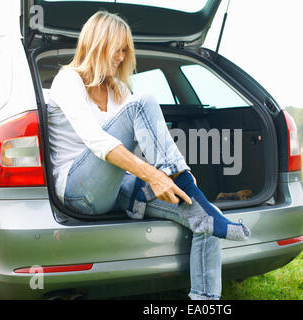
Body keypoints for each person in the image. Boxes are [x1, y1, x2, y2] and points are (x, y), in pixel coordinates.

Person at [47, 10, 250, 300]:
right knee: (144, 102)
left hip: (117, 187)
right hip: (79, 192)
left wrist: (160, 181)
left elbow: (143, 142)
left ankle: (205, 300)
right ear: (99, 44)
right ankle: (186, 181)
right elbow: (97, 141)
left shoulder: (117, 89)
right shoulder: (68, 80)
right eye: (119, 49)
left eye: (126, 51)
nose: (122, 57)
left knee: (203, 214)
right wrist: (154, 176)